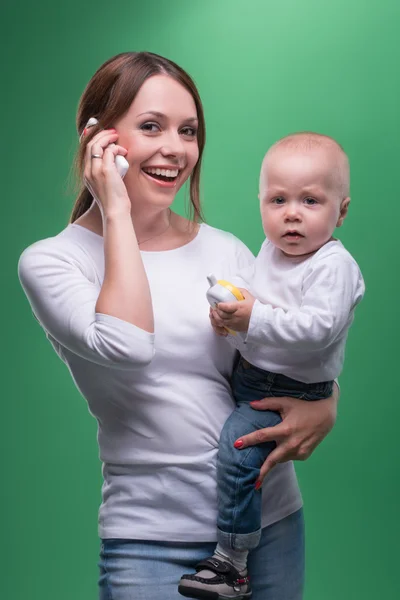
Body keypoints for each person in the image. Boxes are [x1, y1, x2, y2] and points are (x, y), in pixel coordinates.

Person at [18, 52, 340, 600]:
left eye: (187, 131)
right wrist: (115, 210)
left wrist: (326, 400)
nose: (176, 148)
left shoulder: (227, 249)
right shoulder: (53, 262)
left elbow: (296, 335)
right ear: (96, 138)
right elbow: (126, 344)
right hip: (149, 540)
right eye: (151, 127)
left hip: (269, 522)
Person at [178, 133, 365, 599]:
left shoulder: (332, 266)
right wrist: (230, 306)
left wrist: (253, 317)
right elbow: (255, 290)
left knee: (239, 449)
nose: (292, 214)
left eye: (310, 201)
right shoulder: (270, 249)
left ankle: (232, 563)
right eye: (277, 200)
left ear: (340, 212)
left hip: (291, 390)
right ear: (261, 203)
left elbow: (317, 329)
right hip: (253, 374)